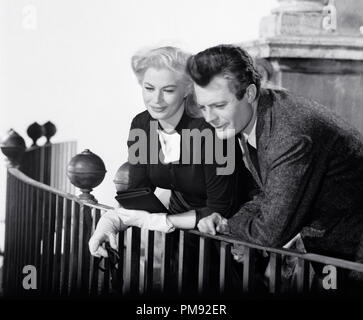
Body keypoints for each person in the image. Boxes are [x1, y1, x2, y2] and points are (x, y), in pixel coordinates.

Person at [186, 44, 363, 285]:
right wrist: (234, 223)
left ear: (248, 93)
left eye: (219, 106)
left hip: (352, 253)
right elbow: (271, 192)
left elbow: (270, 232)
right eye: (204, 107)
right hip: (334, 250)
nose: (209, 118)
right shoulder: (254, 116)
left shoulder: (290, 133)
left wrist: (229, 226)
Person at [88, 46, 252, 260]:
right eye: (149, 88)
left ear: (186, 90)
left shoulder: (211, 128)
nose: (156, 100)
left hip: (229, 237)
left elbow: (220, 207)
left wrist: (162, 221)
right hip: (179, 234)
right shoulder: (142, 125)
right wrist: (111, 221)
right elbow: (139, 192)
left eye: (168, 90)